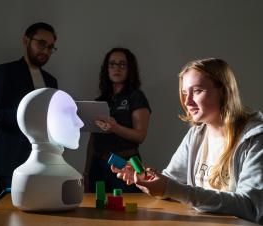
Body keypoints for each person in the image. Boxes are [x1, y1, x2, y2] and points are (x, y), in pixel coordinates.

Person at [111, 58, 263, 224]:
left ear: (224, 91)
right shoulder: (195, 135)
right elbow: (172, 184)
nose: (187, 102)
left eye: (197, 91)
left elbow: (252, 207)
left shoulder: (256, 139)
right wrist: (147, 179)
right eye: (184, 93)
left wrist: (170, 188)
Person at [0, 22, 58, 193]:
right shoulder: (5, 71)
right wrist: (27, 115)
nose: (46, 51)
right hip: (11, 159)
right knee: (13, 217)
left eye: (50, 47)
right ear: (26, 41)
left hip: (45, 163)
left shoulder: (51, 81)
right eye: (41, 44)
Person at [84, 47, 151, 193]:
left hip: (125, 162)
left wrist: (115, 128)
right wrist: (87, 171)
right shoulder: (100, 101)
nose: (117, 68)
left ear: (129, 69)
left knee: (126, 209)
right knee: (97, 208)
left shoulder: (136, 96)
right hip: (98, 162)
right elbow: (93, 139)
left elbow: (140, 135)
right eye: (112, 64)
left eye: (122, 64)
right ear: (106, 69)